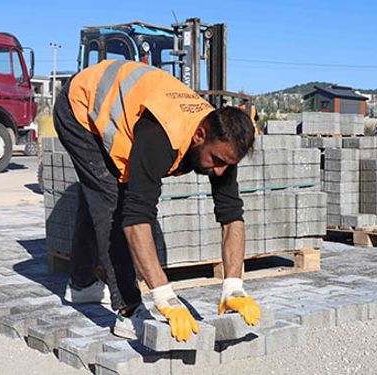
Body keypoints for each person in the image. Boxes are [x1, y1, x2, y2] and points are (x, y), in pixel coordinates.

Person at [53, 59, 261, 342]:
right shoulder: (160, 137)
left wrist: (233, 288)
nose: (220, 171)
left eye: (228, 164)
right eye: (217, 161)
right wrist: (165, 298)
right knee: (111, 202)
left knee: (100, 193)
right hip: (79, 106)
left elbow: (232, 216)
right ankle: (128, 308)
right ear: (199, 136)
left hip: (127, 110)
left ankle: (81, 284)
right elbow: (135, 220)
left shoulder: (222, 140)